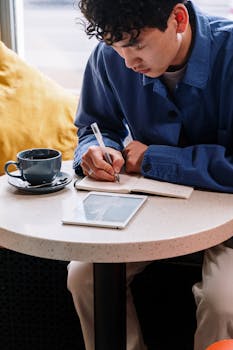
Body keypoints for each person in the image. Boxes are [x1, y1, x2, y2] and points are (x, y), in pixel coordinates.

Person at [67, 0, 233, 349]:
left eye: (137, 46)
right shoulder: (111, 55)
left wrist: (154, 159)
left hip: (228, 218)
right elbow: (93, 127)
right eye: (117, 47)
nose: (128, 62)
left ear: (179, 19)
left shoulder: (229, 52)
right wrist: (95, 151)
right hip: (147, 209)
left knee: (224, 302)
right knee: (83, 276)